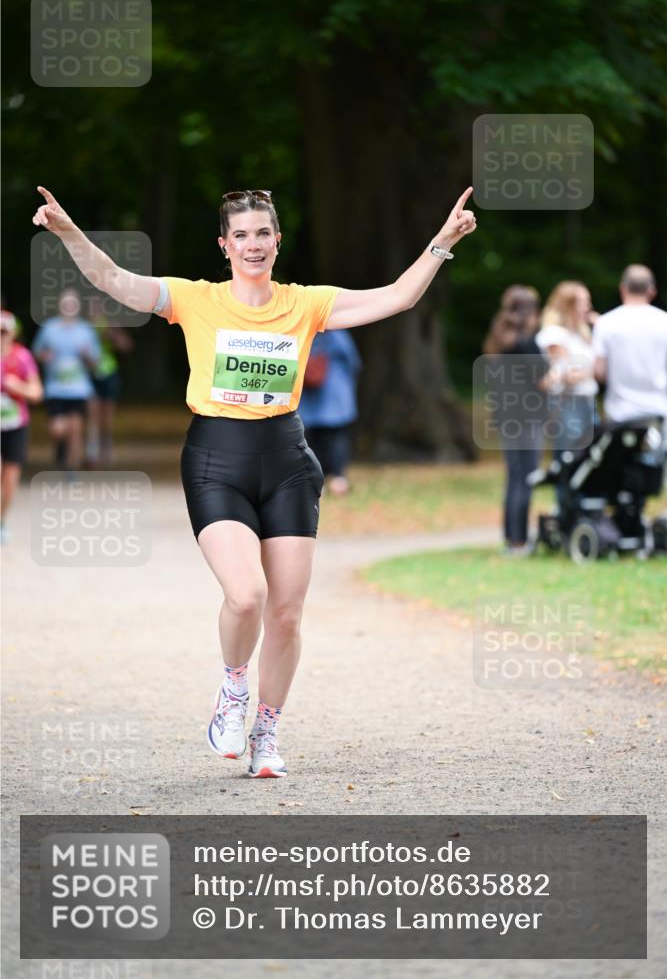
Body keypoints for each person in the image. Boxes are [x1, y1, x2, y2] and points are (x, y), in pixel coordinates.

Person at [31, 183, 477, 777]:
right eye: (240, 235)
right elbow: (116, 281)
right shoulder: (194, 299)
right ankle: (233, 688)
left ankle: (266, 733)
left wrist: (442, 243)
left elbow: (395, 298)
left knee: (287, 614)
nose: (253, 244)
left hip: (288, 459)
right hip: (217, 458)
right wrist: (67, 232)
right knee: (247, 595)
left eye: (262, 233)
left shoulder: (306, 303)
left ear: (277, 240)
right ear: (224, 244)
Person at [483, 285, 548, 555]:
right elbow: (543, 381)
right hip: (528, 417)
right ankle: (520, 541)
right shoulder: (527, 343)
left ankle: (512, 538)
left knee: (514, 477)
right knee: (527, 477)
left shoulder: (499, 339)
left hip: (507, 416)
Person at [32, 287, 101, 475]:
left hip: (79, 389)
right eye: (66, 303)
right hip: (55, 389)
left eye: (73, 303)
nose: (69, 306)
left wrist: (87, 356)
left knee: (76, 429)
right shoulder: (49, 328)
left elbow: (96, 361)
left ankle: (71, 469)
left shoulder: (86, 330)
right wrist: (44, 356)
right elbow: (36, 353)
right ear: (60, 305)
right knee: (57, 429)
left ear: (78, 307)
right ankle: (61, 446)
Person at [592, 264, 667, 424]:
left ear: (623, 288)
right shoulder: (664, 321)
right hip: (660, 411)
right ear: (652, 290)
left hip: (620, 413)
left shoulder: (605, 323)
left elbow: (599, 372)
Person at [536, 280, 598, 456]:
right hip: (568, 404)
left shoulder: (583, 333)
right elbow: (567, 374)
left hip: (588, 401)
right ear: (569, 305)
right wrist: (596, 370)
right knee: (571, 459)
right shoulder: (553, 335)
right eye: (584, 302)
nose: (588, 306)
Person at [299, 328, 361, 495]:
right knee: (336, 438)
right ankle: (339, 478)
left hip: (308, 398)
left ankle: (319, 480)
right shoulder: (338, 335)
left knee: (311, 441)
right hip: (335, 396)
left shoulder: (303, 332)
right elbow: (353, 361)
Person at [1, 309, 43, 543]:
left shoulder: (22, 357)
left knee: (9, 479)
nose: (0, 336)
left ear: (13, 332)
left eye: (3, 332)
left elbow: (37, 393)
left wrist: (17, 386)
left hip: (16, 426)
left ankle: (1, 521)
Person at [86, 297, 135, 466]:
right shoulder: (83, 327)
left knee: (107, 417)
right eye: (92, 306)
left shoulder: (110, 324)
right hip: (89, 375)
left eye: (97, 306)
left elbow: (127, 346)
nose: (94, 310)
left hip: (109, 373)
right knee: (93, 414)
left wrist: (112, 335)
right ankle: (92, 451)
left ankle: (106, 448)